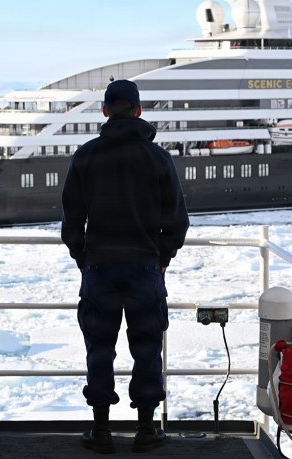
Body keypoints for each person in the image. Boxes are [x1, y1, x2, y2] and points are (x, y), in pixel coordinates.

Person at [61, 79, 189, 454]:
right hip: (145, 269)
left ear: (105, 111)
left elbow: (72, 222)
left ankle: (101, 431)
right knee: (147, 348)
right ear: (138, 110)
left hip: (99, 268)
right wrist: (161, 258)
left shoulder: (85, 156)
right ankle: (147, 430)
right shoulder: (159, 158)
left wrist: (84, 259)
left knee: (99, 348)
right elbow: (178, 222)